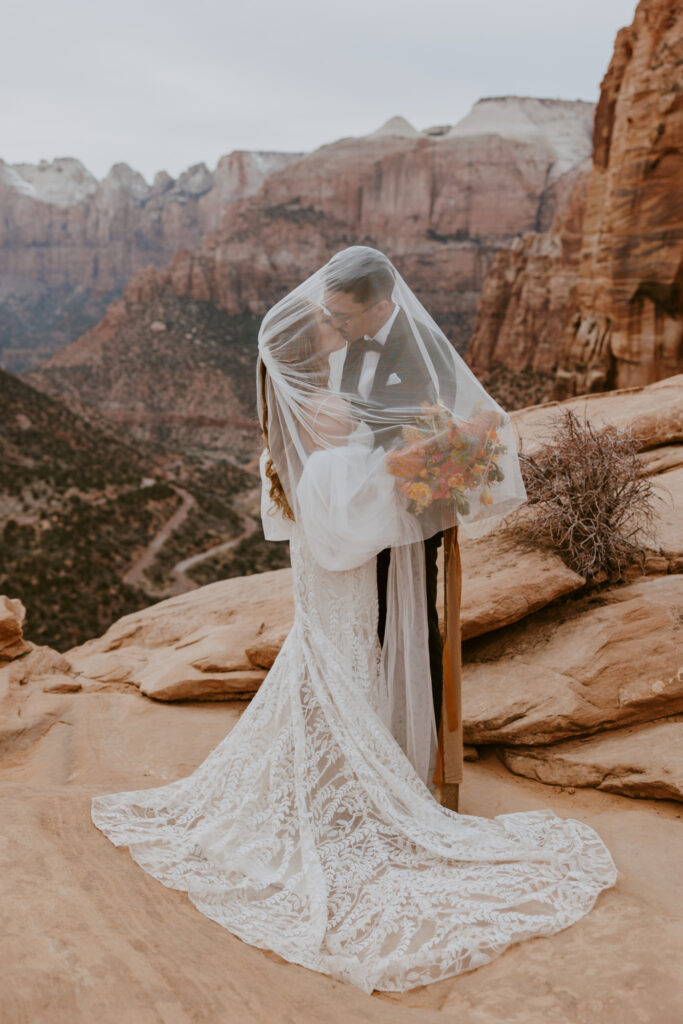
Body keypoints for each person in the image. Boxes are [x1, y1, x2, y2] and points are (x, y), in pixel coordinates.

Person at [91, 246, 618, 995]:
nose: (336, 327)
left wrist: (427, 477)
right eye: (329, 319)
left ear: (376, 305)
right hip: (356, 526)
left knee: (392, 645)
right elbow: (355, 449)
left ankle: (397, 766)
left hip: (386, 529)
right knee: (357, 648)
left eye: (345, 315)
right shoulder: (339, 367)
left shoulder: (409, 352)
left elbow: (434, 429)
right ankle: (369, 776)